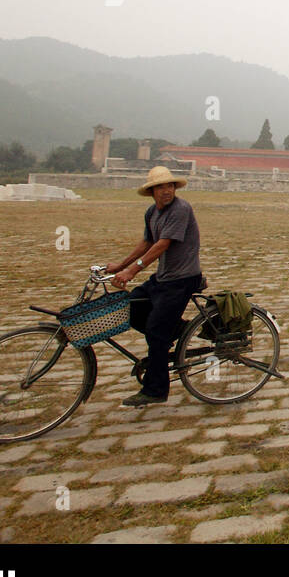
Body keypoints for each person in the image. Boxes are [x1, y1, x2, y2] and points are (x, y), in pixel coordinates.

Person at [106, 166, 205, 406]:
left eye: (169, 186)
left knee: (156, 333)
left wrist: (132, 271)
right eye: (161, 187)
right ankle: (177, 331)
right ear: (151, 191)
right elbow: (147, 241)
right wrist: (122, 264)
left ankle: (156, 390)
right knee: (130, 309)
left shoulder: (181, 209)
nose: (166, 191)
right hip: (163, 278)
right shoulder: (152, 212)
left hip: (182, 279)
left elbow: (163, 244)